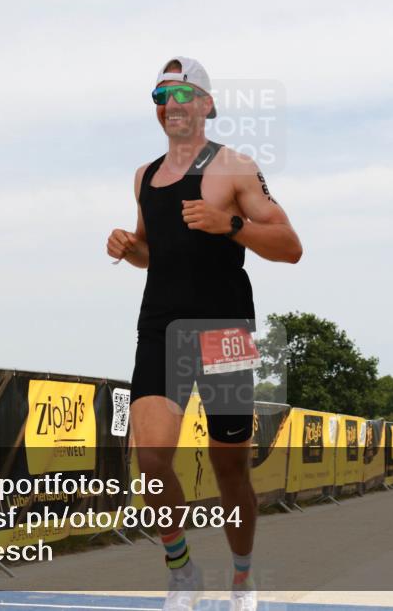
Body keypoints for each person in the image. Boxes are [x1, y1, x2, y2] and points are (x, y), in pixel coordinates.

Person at [106, 56, 302, 611]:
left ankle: (242, 577)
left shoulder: (236, 168)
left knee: (229, 466)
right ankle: (183, 572)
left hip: (224, 326)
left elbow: (290, 246)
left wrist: (232, 225)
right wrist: (129, 246)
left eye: (183, 93)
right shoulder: (144, 177)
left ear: (208, 104)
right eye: (161, 95)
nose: (171, 104)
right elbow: (153, 251)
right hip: (161, 325)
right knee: (151, 459)